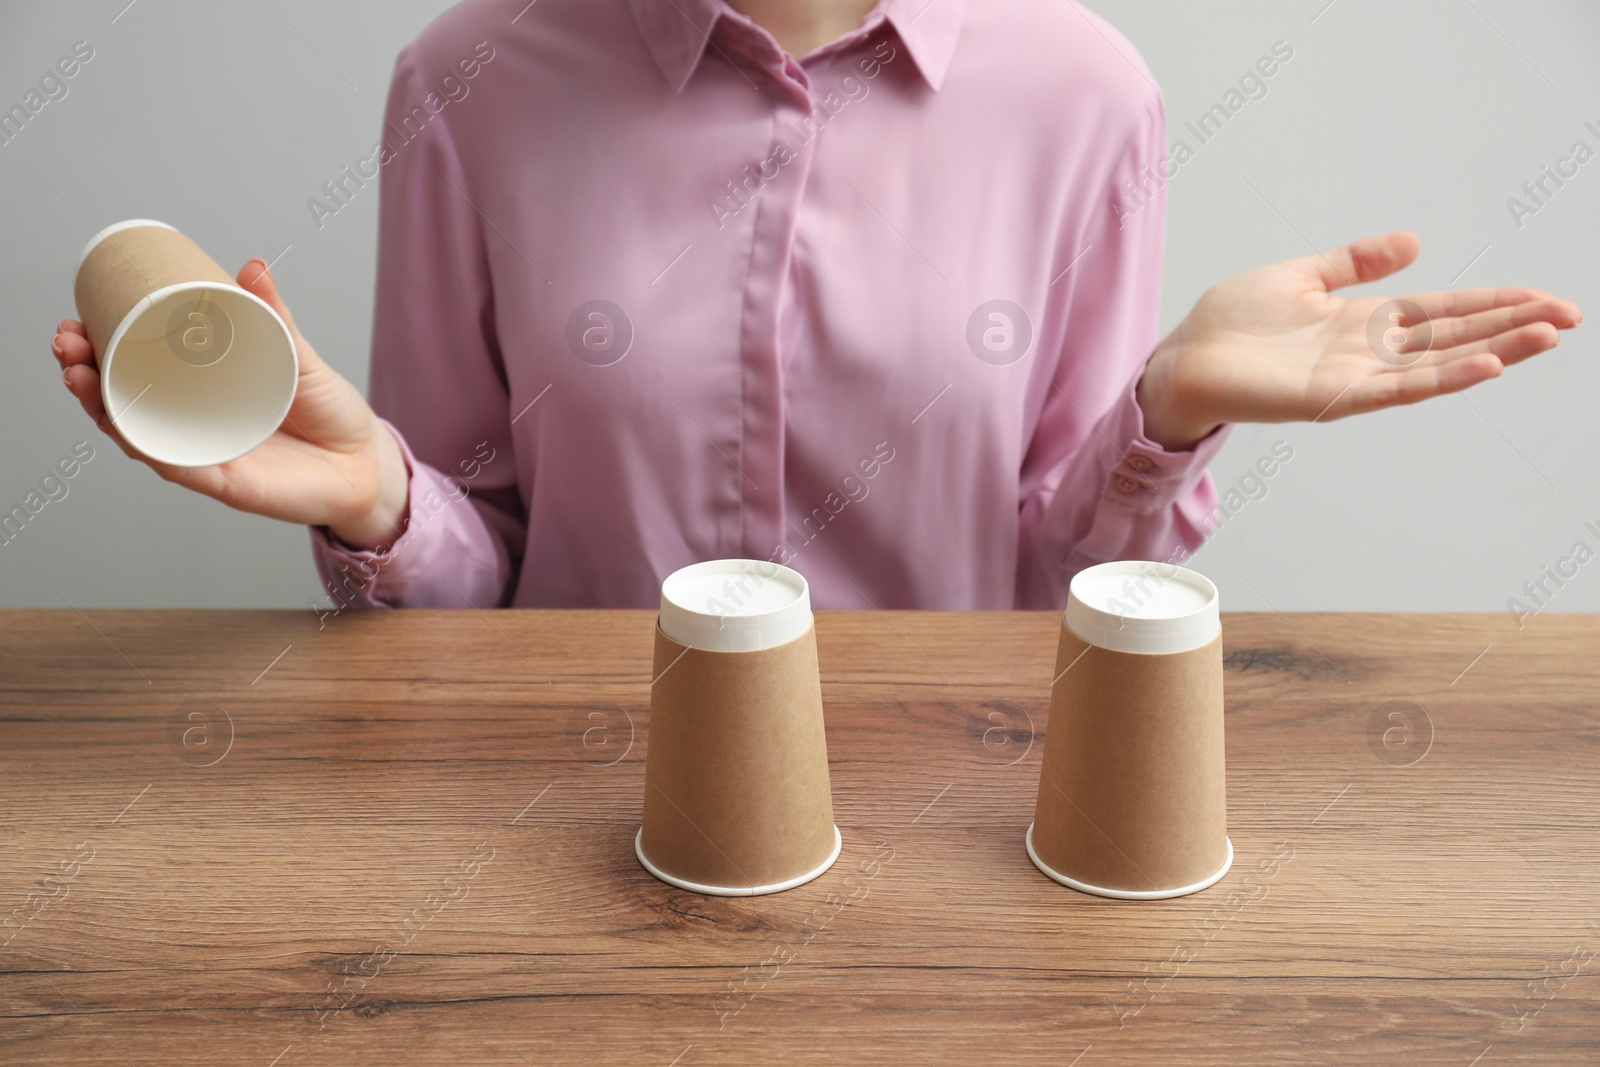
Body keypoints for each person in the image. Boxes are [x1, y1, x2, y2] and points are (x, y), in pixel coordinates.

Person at [50, 0, 1581, 610]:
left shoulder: (1086, 93)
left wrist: (1166, 418)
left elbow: (1050, 595)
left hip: (958, 836)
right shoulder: (472, 79)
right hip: (561, 825)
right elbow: (483, 577)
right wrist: (386, 505)